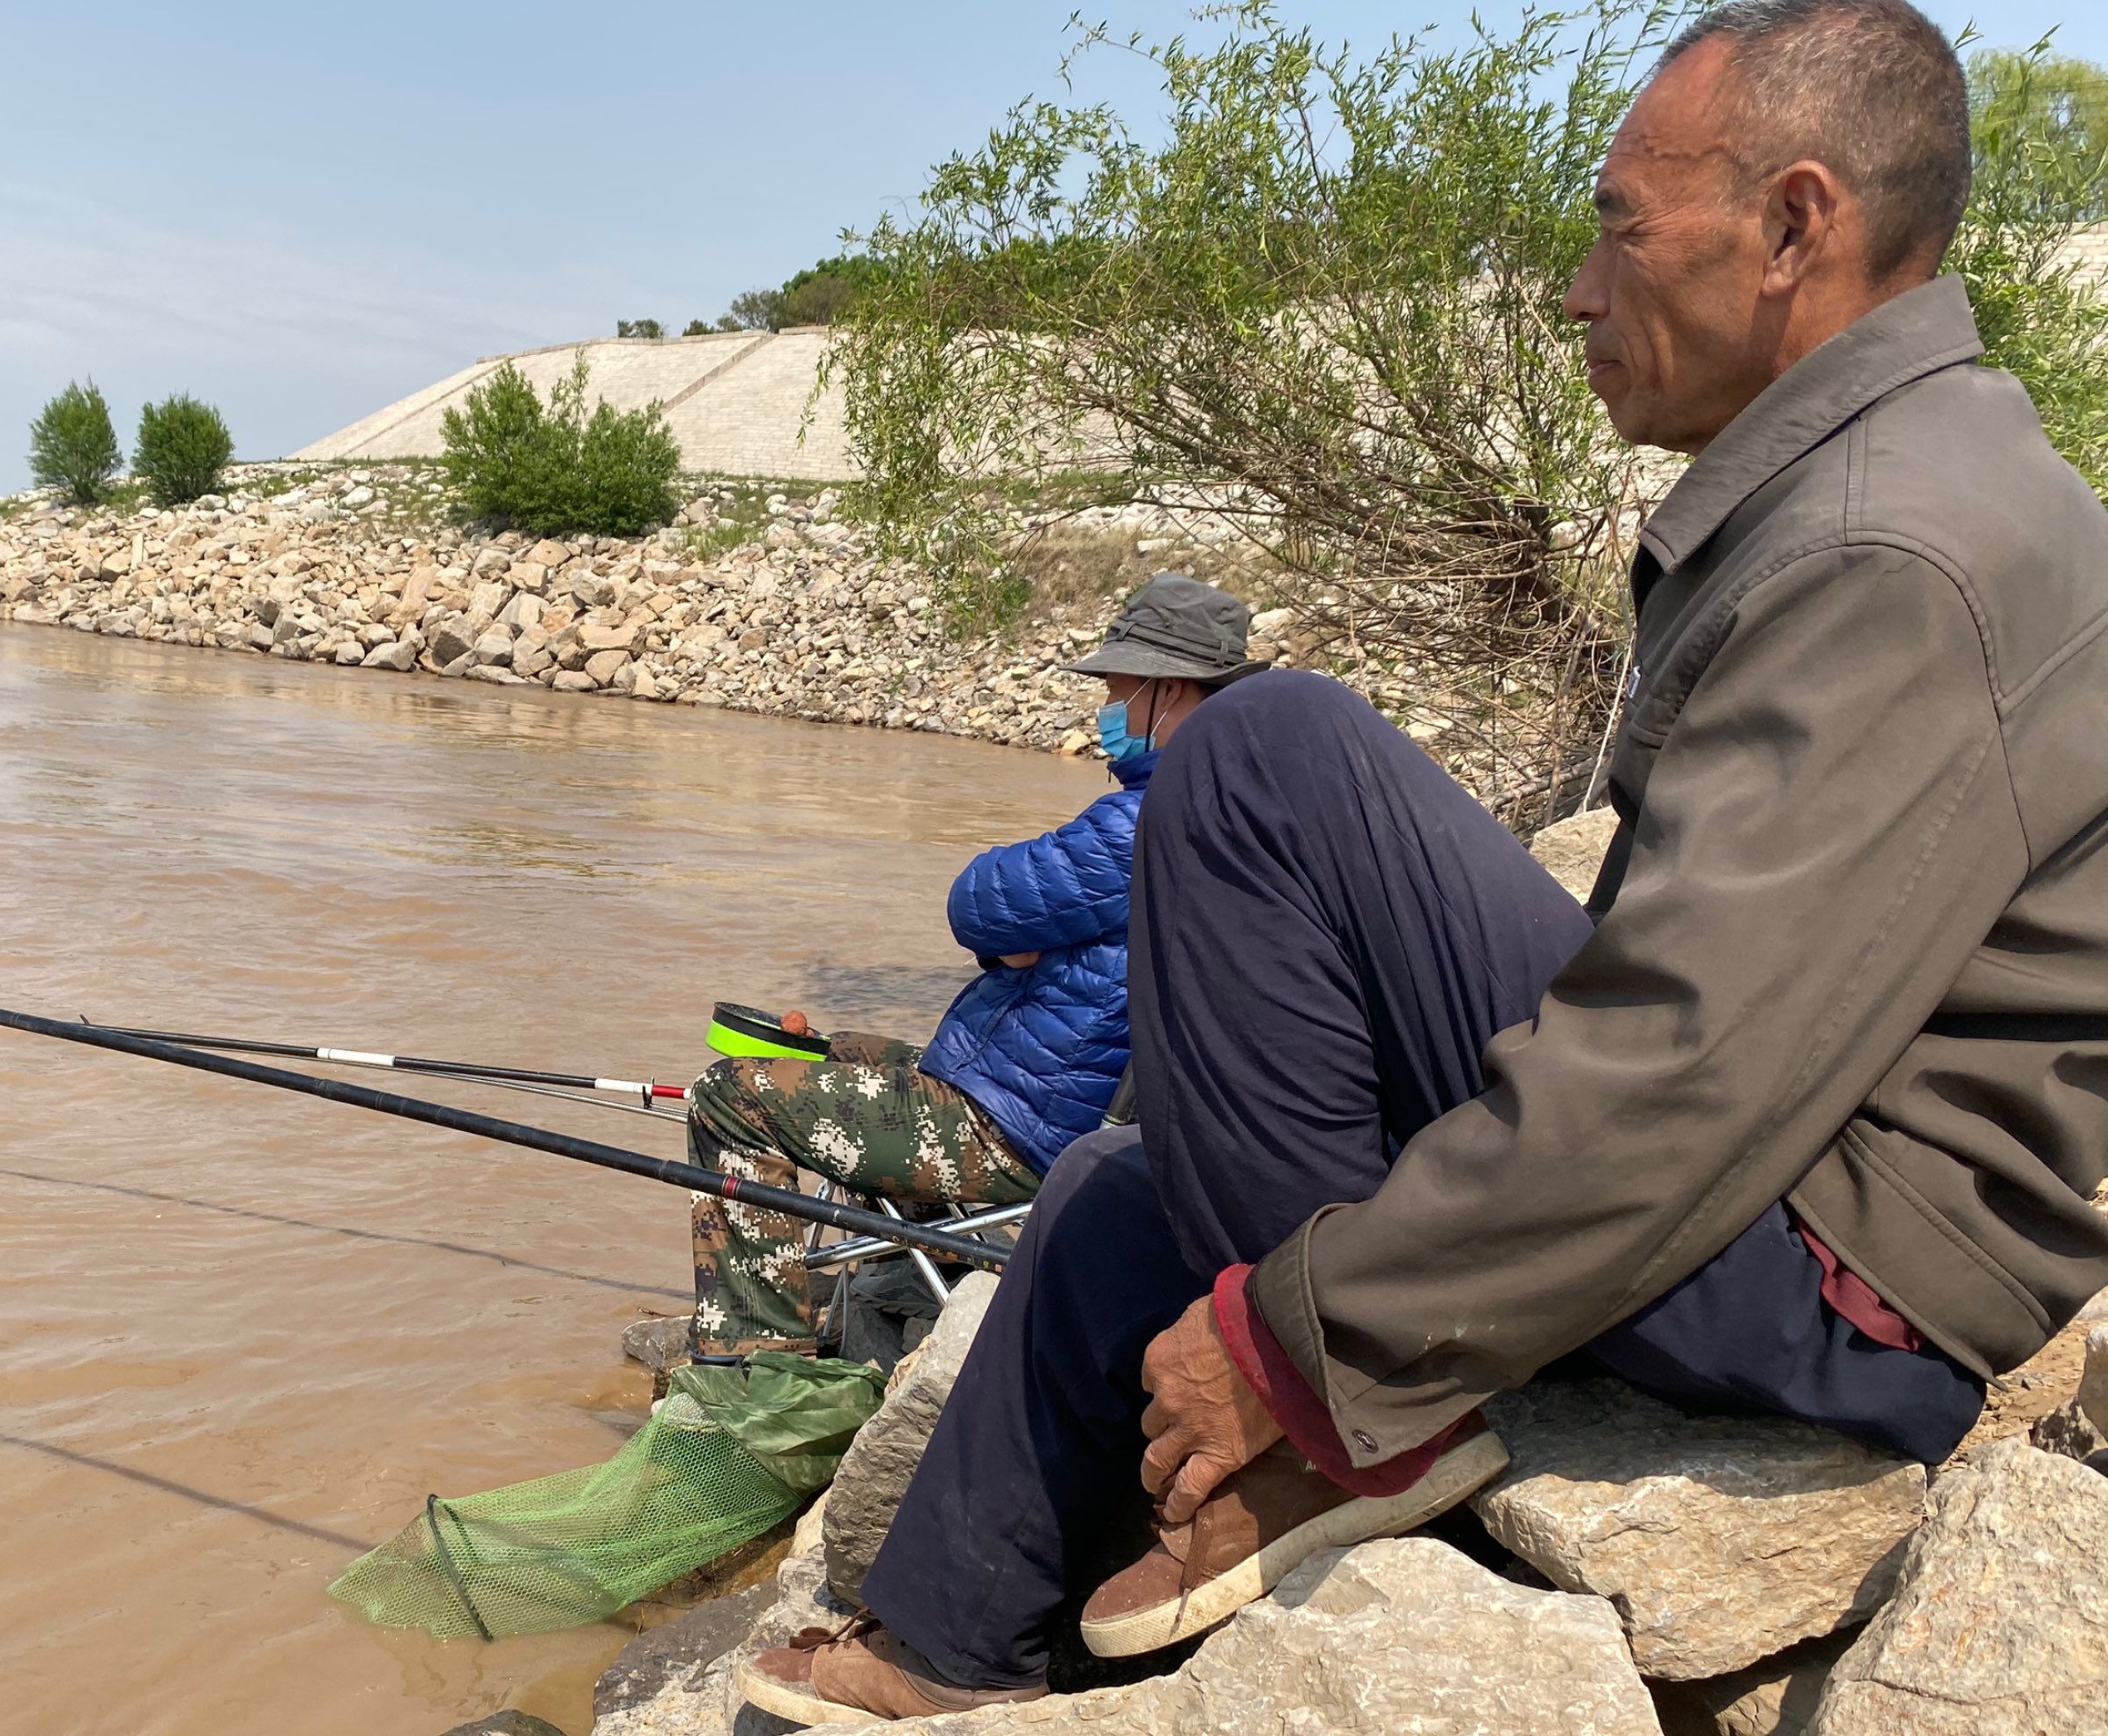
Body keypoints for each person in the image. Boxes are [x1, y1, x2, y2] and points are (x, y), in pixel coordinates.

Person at [739, 0, 2108, 1720]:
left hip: (1843, 1275)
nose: (1573, 290)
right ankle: (950, 1648)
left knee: (1255, 754)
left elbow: (1686, 1074)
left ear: (1793, 225)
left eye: (1617, 227)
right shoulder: (1890, 483)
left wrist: (1301, 1345)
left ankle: (1345, 1431)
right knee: (1113, 1187)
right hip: (1786, 1184)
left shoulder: (1894, 546)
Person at [687, 574, 1266, 1360]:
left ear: (1167, 690)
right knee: (844, 1050)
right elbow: (1021, 929)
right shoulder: (1229, 807)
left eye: (1117, 690)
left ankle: (753, 1373)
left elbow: (977, 902)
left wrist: (1011, 936)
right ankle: (874, 1289)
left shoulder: (1147, 819)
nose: (1107, 711)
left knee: (732, 1099)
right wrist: (1024, 940)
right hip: (1057, 1107)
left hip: (1019, 1134)